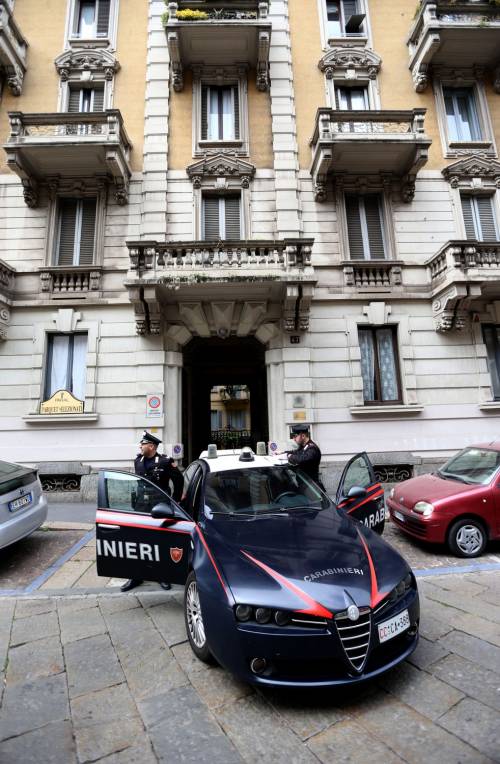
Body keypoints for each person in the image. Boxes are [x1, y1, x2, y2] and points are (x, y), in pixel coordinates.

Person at [121, 431, 184, 593]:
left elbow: (179, 480)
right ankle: (137, 576)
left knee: (160, 540)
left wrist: (175, 501)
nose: (140, 446)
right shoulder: (138, 461)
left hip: (160, 507)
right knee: (138, 541)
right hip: (141, 508)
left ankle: (162, 574)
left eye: (143, 444)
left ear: (151, 446)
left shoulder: (164, 462)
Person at [283, 424, 324, 488]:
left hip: (312, 488)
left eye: (295, 436)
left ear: (303, 436)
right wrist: (283, 453)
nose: (294, 439)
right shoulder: (304, 447)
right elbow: (295, 452)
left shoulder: (312, 448)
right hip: (305, 485)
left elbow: (301, 459)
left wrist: (289, 456)